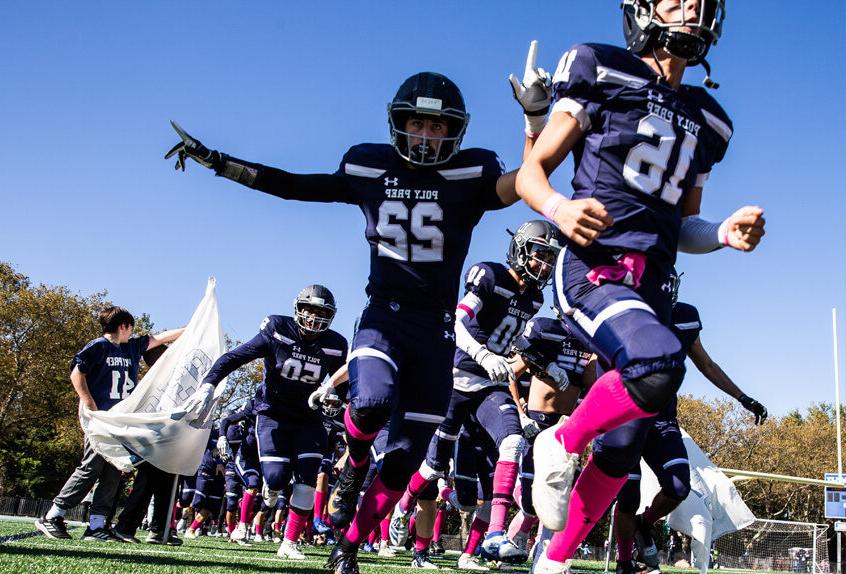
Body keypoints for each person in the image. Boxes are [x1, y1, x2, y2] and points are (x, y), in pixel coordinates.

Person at [167, 68, 531, 574]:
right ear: (399, 123)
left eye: (438, 128)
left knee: (405, 459)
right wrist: (222, 164)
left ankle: (350, 545)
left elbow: (528, 182)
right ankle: (355, 461)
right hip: (385, 314)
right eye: (417, 124)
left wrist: (535, 116)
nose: (426, 137)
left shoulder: (471, 176)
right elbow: (296, 186)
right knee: (374, 402)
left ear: (455, 132)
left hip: (437, 329)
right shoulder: (369, 168)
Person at [513, 2, 765, 572]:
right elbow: (532, 172)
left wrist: (723, 233)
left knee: (625, 447)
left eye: (699, 5)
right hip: (594, 267)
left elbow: (684, 227)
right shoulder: (600, 68)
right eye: (676, 2)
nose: (690, 15)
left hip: (650, 285)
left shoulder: (709, 118)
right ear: (642, 9)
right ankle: (560, 440)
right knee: (659, 365)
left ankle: (553, 562)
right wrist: (559, 208)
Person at [388, 220, 561, 566]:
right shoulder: (490, 276)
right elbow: (458, 320)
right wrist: (482, 355)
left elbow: (511, 339)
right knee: (435, 467)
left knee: (512, 442)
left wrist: (541, 364)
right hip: (455, 378)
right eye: (539, 254)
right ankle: (403, 503)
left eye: (550, 258)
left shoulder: (534, 297)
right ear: (520, 250)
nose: (544, 264)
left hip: (490, 384)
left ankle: (496, 533)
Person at [184, 285, 348, 559]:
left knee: (307, 478)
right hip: (272, 413)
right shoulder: (277, 328)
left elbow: (343, 384)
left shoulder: (335, 344)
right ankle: (269, 490)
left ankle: (290, 542)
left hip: (309, 416)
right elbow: (235, 356)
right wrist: (208, 384)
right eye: (309, 309)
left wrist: (336, 398)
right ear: (298, 308)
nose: (314, 317)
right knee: (275, 477)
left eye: (322, 312)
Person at [613, 292, 767, 574]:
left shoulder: (684, 317)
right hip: (627, 417)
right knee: (628, 496)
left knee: (679, 486)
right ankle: (624, 562)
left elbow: (706, 364)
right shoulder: (626, 310)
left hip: (663, 419)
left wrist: (742, 397)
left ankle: (644, 525)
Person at [35, 307, 183, 541]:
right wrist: (88, 402)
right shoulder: (98, 346)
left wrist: (191, 329)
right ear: (123, 326)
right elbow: (76, 374)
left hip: (120, 420)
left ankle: (97, 525)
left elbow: (162, 338)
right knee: (90, 467)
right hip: (101, 419)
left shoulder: (131, 347)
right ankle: (53, 515)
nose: (132, 333)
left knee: (114, 470)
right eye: (130, 328)